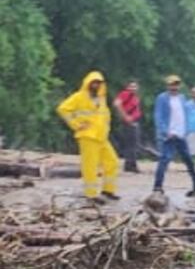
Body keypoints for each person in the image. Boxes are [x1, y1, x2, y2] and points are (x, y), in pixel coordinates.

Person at [55, 70, 120, 201]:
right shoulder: (79, 96)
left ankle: (108, 190)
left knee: (112, 161)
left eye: (99, 83)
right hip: (88, 136)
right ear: (88, 83)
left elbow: (105, 115)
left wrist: (107, 128)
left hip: (101, 136)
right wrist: (75, 124)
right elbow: (62, 108)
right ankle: (91, 194)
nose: (96, 85)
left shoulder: (101, 98)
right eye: (94, 82)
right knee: (90, 165)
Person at [151, 75, 195, 197]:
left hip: (181, 135)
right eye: (172, 84)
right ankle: (157, 187)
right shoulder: (162, 98)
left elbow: (184, 114)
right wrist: (165, 131)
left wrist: (186, 130)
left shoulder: (182, 98)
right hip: (169, 136)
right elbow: (158, 116)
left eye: (176, 84)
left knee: (189, 162)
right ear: (167, 85)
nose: (174, 87)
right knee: (164, 161)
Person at [113, 80, 142, 173]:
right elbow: (117, 104)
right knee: (131, 144)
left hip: (134, 121)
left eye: (135, 86)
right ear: (127, 87)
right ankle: (130, 165)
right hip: (129, 122)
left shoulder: (135, 97)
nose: (133, 88)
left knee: (134, 143)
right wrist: (125, 117)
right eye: (131, 86)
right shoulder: (125, 94)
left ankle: (130, 164)